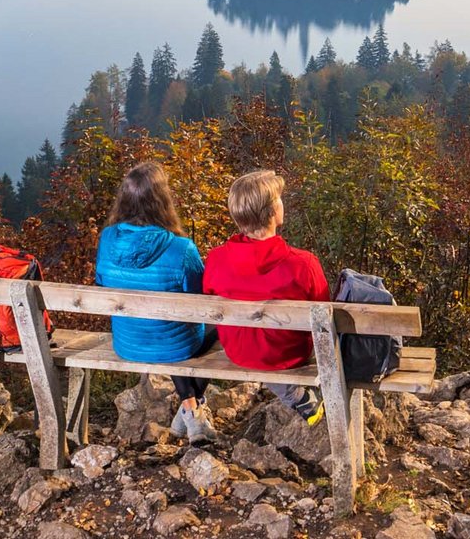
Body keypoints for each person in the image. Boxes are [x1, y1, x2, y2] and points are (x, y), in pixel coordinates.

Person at [93, 161, 216, 442]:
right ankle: (193, 407)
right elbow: (200, 301)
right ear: (163, 200)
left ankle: (189, 409)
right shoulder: (180, 248)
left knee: (168, 329)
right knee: (216, 324)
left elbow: (101, 281)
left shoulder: (108, 238)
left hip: (127, 342)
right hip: (174, 346)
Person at [202, 169, 326, 424]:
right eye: (279, 198)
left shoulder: (216, 260)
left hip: (238, 351)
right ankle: (301, 397)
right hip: (287, 355)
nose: (282, 203)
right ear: (271, 212)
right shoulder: (303, 264)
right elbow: (326, 315)